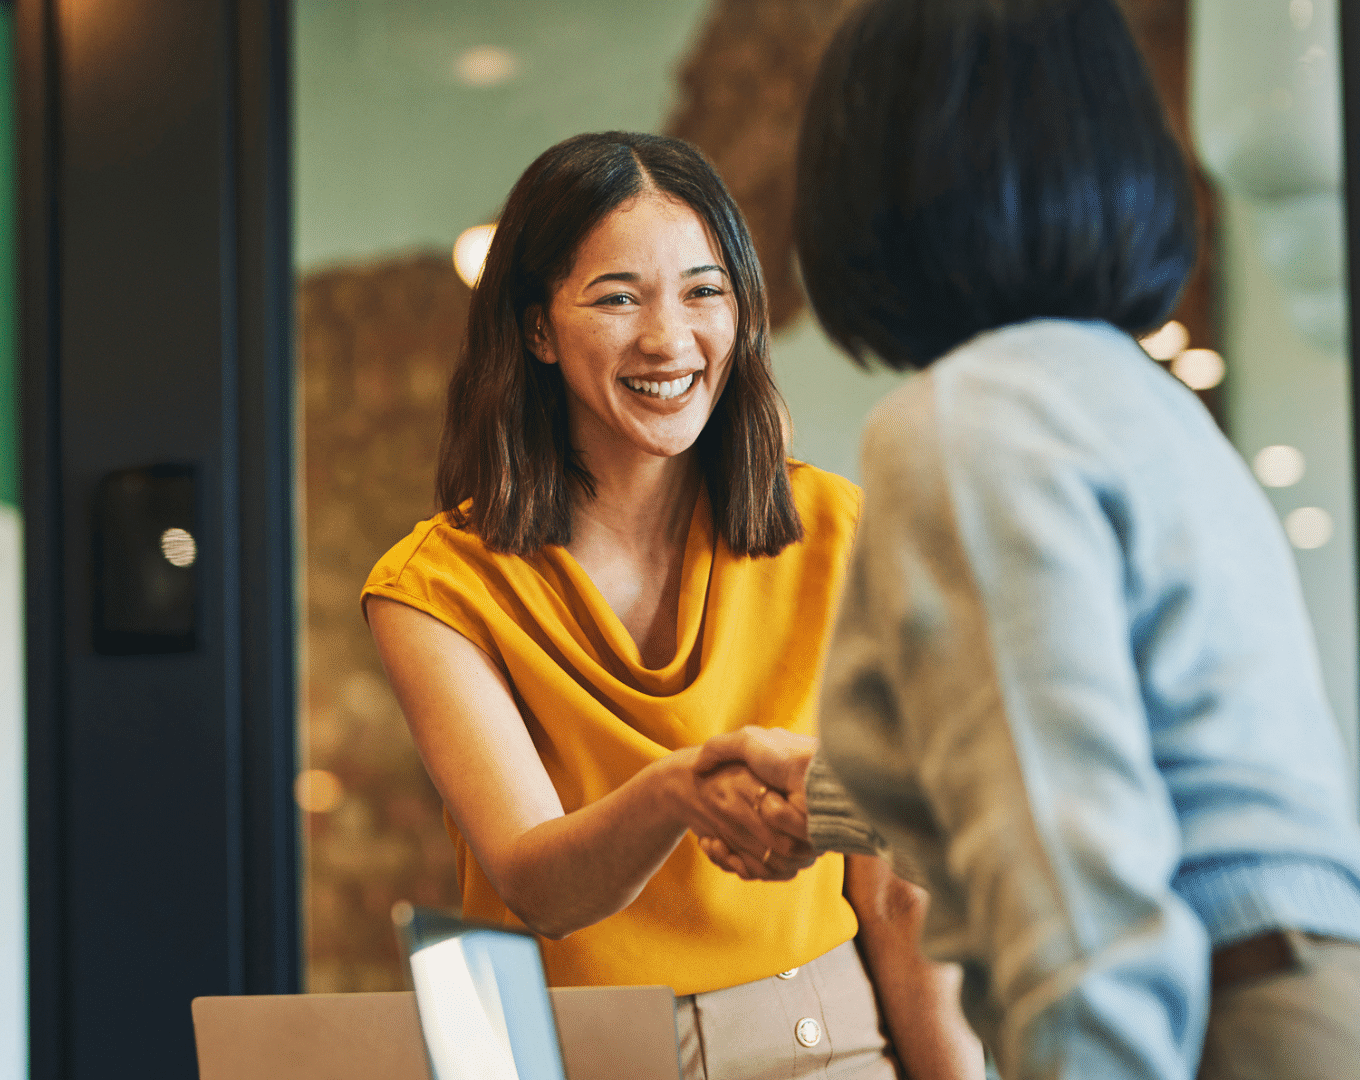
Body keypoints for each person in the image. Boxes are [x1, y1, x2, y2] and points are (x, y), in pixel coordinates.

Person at [693, 1, 1360, 1078]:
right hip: (1344, 1012)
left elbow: (1079, 904)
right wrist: (830, 795)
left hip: (1229, 1027)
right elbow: (1135, 757)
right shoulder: (1135, 399)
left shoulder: (971, 424)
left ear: (878, 174)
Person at [361, 131, 982, 1080]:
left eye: (704, 291)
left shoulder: (837, 527)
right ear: (536, 330)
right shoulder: (433, 588)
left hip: (824, 1039)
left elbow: (902, 892)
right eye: (618, 298)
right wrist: (679, 791)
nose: (669, 337)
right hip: (561, 1051)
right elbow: (538, 884)